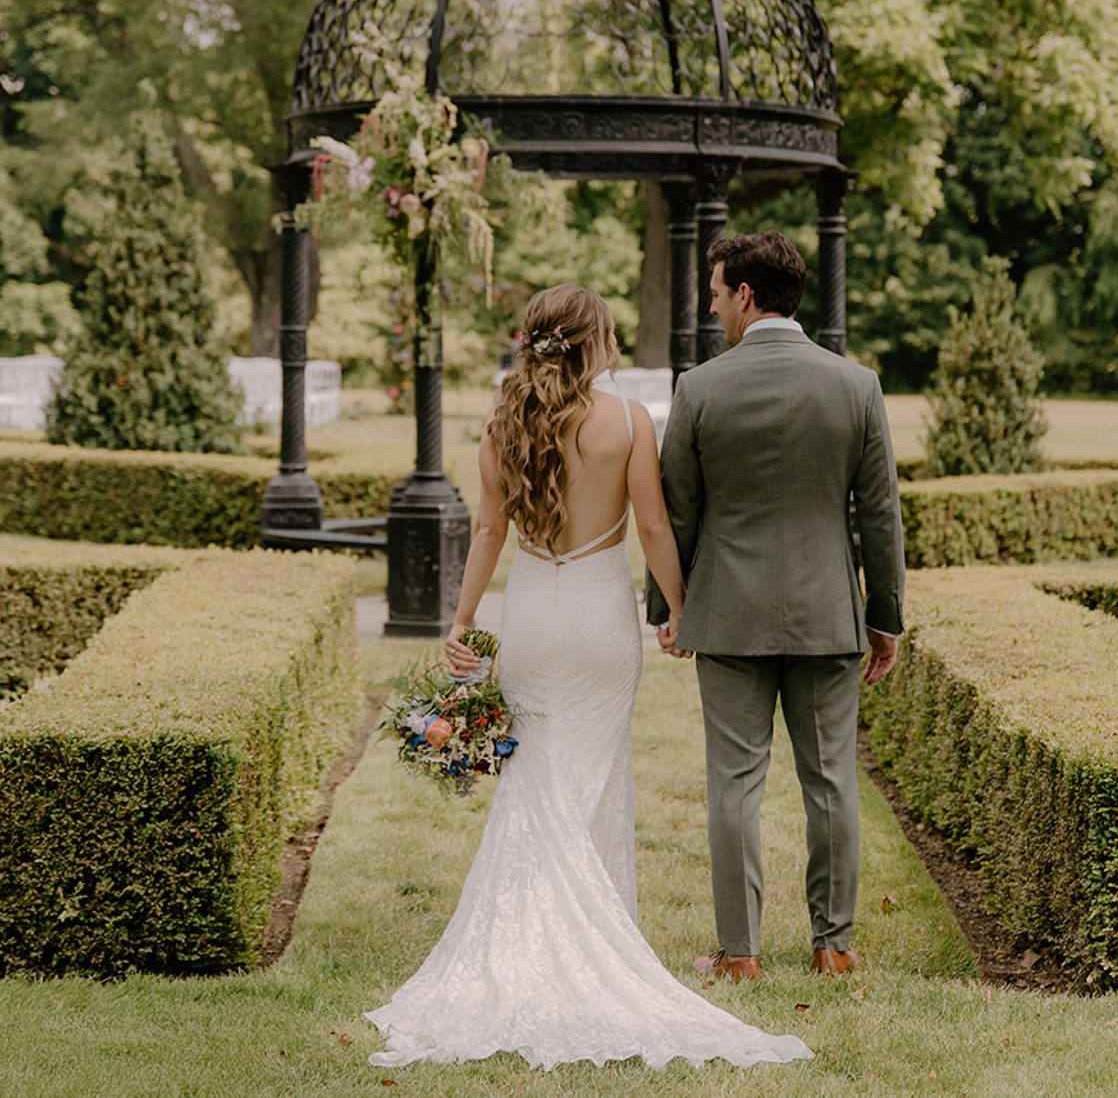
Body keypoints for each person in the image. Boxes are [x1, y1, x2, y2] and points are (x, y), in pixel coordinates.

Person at [364, 283, 812, 1071]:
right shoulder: (630, 421)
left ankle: (537, 940)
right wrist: (681, 611)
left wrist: (462, 619)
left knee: (536, 777)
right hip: (603, 626)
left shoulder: (503, 425)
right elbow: (650, 525)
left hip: (535, 617)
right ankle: (595, 934)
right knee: (595, 780)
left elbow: (491, 529)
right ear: (594, 341)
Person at [646, 231, 906, 982]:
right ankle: (832, 945)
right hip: (828, 614)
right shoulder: (857, 386)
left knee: (733, 782)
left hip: (728, 616)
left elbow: (676, 512)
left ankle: (741, 954)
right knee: (831, 779)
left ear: (748, 296)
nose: (716, 306)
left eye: (720, 292)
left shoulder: (699, 388)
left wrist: (669, 606)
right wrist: (883, 617)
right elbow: (880, 517)